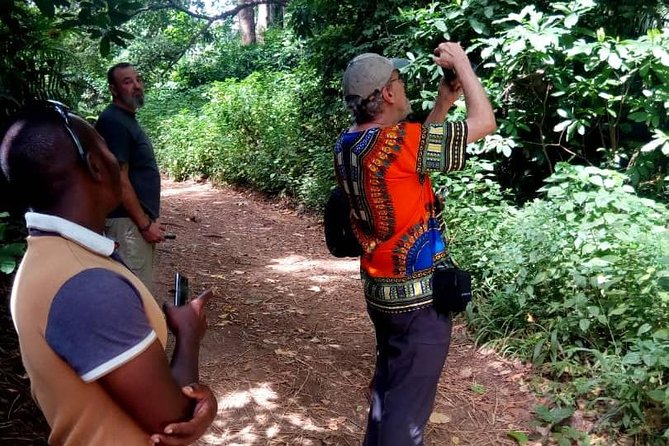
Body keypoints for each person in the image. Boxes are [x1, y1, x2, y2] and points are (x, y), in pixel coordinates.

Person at [0, 101, 217, 445]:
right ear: (97, 166)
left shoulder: (49, 258)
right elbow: (174, 422)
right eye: (103, 144)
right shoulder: (87, 284)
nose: (115, 158)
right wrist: (189, 333)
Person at [335, 42, 496, 445]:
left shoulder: (350, 145)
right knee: (406, 411)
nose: (405, 88)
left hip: (382, 294)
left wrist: (443, 100)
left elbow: (416, 158)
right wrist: (463, 64)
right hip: (419, 304)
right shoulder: (401, 142)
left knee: (389, 390)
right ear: (387, 94)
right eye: (400, 81)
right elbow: (485, 122)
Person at [96, 62, 164, 292]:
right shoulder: (114, 122)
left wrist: (149, 218)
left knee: (135, 291)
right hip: (127, 226)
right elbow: (119, 179)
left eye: (138, 79)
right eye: (127, 82)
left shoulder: (125, 119)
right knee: (136, 295)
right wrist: (145, 225)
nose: (136, 86)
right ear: (113, 89)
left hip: (132, 224)